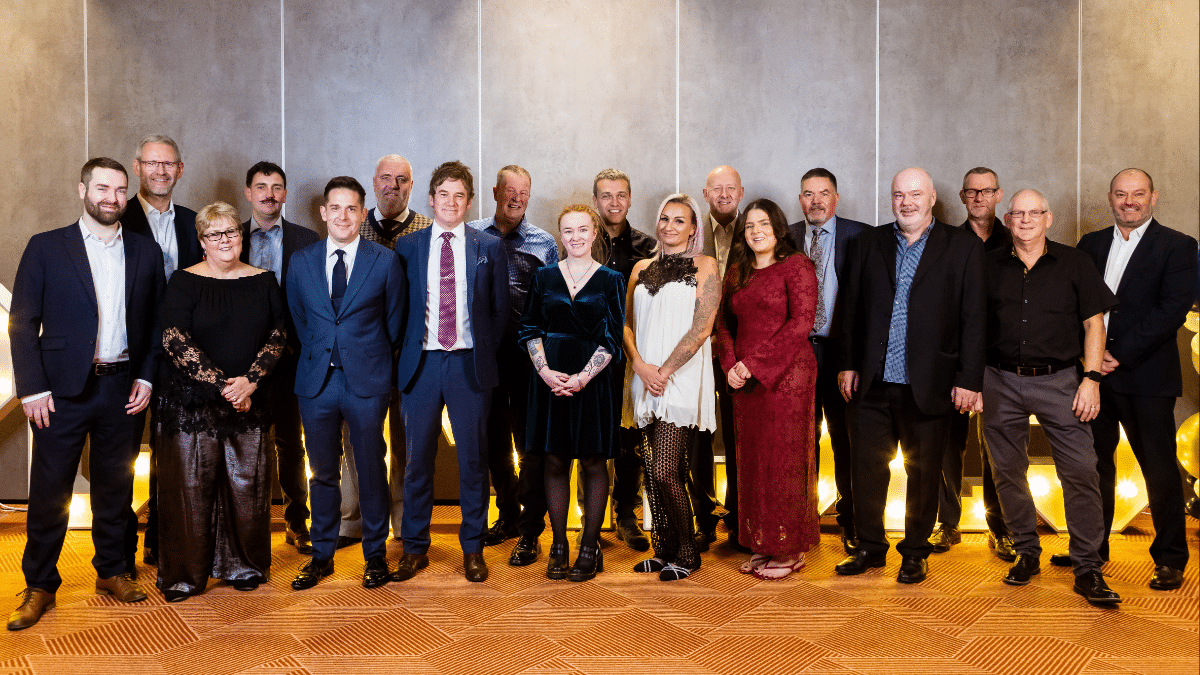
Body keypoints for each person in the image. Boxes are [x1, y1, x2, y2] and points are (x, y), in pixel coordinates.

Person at [8, 158, 163, 631]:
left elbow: (157, 323)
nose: (111, 198)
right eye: (102, 188)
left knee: (115, 488)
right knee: (50, 491)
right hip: (60, 392)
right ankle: (39, 585)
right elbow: (22, 323)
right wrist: (32, 388)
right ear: (82, 190)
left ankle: (112, 570)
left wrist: (147, 378)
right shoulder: (46, 247)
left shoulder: (145, 251)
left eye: (119, 190)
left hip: (123, 387)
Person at [835, 167, 984, 584]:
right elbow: (850, 308)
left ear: (932, 197)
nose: (907, 202)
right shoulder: (867, 243)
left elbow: (975, 317)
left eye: (915, 194)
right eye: (899, 195)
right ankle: (870, 547)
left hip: (932, 384)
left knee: (924, 474)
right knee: (866, 471)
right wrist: (847, 362)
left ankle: (915, 552)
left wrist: (969, 379)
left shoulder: (963, 247)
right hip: (872, 383)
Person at [980, 189, 1121, 604]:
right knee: (1007, 472)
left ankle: (1087, 567)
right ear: (1008, 220)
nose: (1026, 220)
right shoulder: (986, 265)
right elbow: (971, 326)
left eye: (1034, 213)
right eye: (1018, 213)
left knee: (1081, 470)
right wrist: (972, 382)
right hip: (998, 380)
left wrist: (1091, 379)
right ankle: (1026, 551)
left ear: (1048, 218)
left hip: (1060, 381)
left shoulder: (1075, 263)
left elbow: (1094, 325)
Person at [155, 201, 287, 601]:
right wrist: (224, 387)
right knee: (190, 492)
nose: (225, 240)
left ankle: (243, 566)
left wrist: (250, 383)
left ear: (241, 237)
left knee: (247, 489)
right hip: (193, 404)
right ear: (202, 241)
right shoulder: (183, 281)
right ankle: (185, 576)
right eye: (215, 234)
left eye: (231, 231)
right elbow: (174, 340)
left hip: (250, 401)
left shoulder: (264, 281)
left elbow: (279, 336)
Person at [1077, 168, 1198, 590]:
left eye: (1138, 194)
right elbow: (1075, 302)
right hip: (1093, 377)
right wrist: (1090, 359)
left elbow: (1171, 311)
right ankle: (1092, 551)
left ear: (1153, 197)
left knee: (1159, 469)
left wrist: (1117, 355)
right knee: (1094, 467)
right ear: (1110, 197)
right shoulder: (1090, 244)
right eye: (1121, 194)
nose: (1129, 201)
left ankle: (1170, 558)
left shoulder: (1178, 246)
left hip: (1146, 377)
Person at [286, 176, 406, 591]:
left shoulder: (385, 261)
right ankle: (321, 556)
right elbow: (299, 319)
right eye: (335, 208)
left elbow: (394, 324)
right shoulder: (301, 261)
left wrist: (364, 355)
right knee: (322, 472)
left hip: (367, 382)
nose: (342, 216)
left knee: (371, 469)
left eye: (351, 208)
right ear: (323, 212)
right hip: (317, 382)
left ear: (362, 213)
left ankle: (375, 555)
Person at [393, 161, 509, 583]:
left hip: (468, 364)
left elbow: (499, 311)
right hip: (422, 364)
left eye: (459, 195)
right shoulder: (408, 246)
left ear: (470, 202)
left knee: (473, 460)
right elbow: (398, 307)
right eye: (443, 194)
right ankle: (414, 548)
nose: (451, 202)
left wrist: (481, 352)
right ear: (431, 199)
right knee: (416, 461)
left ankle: (473, 548)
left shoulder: (488, 247)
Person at [518, 204, 625, 581]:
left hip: (592, 380)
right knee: (554, 460)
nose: (575, 237)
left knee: (594, 462)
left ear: (594, 233)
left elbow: (613, 338)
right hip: (549, 377)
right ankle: (559, 545)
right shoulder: (544, 276)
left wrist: (582, 377)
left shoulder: (612, 279)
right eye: (568, 231)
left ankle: (590, 547)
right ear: (560, 235)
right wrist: (545, 372)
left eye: (582, 230)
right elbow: (529, 328)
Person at [715, 199, 819, 580]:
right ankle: (763, 541)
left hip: (787, 378)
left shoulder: (796, 266)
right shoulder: (738, 271)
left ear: (778, 228)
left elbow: (801, 322)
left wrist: (753, 364)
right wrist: (731, 365)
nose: (756, 231)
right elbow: (724, 324)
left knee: (783, 462)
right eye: (749, 226)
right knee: (753, 463)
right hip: (744, 382)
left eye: (764, 224)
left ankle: (789, 548)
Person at [623, 194, 720, 581]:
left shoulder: (705, 265)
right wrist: (640, 366)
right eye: (664, 218)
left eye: (680, 220)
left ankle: (688, 551)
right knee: (651, 469)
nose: (669, 226)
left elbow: (703, 327)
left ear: (694, 228)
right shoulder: (640, 268)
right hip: (645, 377)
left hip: (679, 378)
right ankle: (663, 550)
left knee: (665, 470)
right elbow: (626, 324)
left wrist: (663, 371)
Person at [337, 154, 432, 549]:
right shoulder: (353, 225)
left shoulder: (428, 229)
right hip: (362, 358)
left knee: (408, 441)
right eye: (386, 178)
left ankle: (402, 520)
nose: (394, 185)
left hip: (411, 357)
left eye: (403, 179)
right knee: (358, 440)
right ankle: (352, 519)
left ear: (412, 184)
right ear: (374, 182)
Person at [467, 166, 559, 566]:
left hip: (527, 356)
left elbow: (554, 301)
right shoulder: (471, 234)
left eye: (523, 192)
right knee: (493, 439)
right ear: (495, 192)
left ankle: (529, 526)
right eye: (509, 190)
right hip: (483, 353)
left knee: (529, 442)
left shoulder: (544, 243)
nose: (516, 198)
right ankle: (506, 515)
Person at [121, 134, 203, 569]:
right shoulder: (118, 217)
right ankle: (119, 555)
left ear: (180, 169)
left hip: (185, 356)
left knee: (173, 451)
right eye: (152, 163)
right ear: (137, 167)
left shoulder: (193, 221)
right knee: (123, 455)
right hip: (132, 353)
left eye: (168, 164)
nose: (160, 171)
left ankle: (161, 538)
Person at [930, 167, 1014, 558]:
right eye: (972, 191)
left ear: (999, 195)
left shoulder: (1016, 240)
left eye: (986, 191)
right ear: (963, 197)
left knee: (997, 445)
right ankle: (947, 523)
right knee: (948, 444)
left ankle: (1000, 527)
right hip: (954, 359)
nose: (979, 198)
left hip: (1000, 359)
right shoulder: (945, 242)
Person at [240, 161, 320, 554]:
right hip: (241, 364)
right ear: (248, 193)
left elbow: (315, 301)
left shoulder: (307, 240)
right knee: (245, 445)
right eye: (261, 187)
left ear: (285, 194)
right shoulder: (230, 236)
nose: (269, 194)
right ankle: (246, 527)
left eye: (276, 187)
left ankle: (296, 522)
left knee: (290, 443)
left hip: (291, 360)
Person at [786, 168, 867, 554]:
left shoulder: (861, 236)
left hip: (841, 353)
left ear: (836, 197)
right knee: (801, 439)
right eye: (808, 193)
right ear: (800, 199)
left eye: (823, 193)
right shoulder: (784, 236)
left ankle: (852, 520)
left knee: (845, 438)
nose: (815, 201)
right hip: (797, 352)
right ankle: (803, 521)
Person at [593, 169, 656, 552]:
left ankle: (625, 515)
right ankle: (591, 521)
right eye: (606, 195)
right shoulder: (582, 240)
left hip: (634, 357)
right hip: (591, 357)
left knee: (630, 439)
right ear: (596, 200)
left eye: (621, 195)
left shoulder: (648, 248)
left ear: (630, 199)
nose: (614, 202)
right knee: (593, 439)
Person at [692, 165, 743, 551]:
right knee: (698, 435)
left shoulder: (755, 227)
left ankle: (740, 515)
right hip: (696, 349)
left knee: (740, 433)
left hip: (741, 351)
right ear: (705, 194)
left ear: (740, 192)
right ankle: (704, 515)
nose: (724, 195)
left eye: (730, 188)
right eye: (716, 188)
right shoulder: (690, 230)